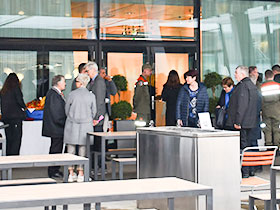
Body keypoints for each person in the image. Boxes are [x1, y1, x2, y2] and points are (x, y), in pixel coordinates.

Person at [225, 66, 258, 178]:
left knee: (244, 148)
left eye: (236, 73)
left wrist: (238, 122)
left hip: (243, 123)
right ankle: (250, 170)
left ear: (242, 74)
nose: (235, 75)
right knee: (249, 147)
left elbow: (242, 105)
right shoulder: (252, 86)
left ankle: (245, 172)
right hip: (251, 122)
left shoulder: (243, 86)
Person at [64, 73, 96, 182]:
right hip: (86, 124)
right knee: (83, 149)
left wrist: (72, 116)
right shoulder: (91, 96)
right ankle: (81, 173)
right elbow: (94, 111)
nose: (76, 83)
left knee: (70, 149)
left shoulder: (72, 94)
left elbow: (66, 110)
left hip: (72, 124)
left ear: (81, 82)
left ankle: (70, 173)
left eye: (77, 81)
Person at [42, 75, 66, 178]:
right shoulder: (54, 95)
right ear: (58, 83)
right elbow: (57, 114)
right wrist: (65, 122)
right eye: (64, 81)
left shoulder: (53, 94)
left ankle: (54, 169)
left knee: (56, 149)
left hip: (55, 127)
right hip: (56, 128)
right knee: (56, 150)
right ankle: (53, 170)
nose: (65, 84)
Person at [85, 61, 106, 172]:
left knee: (97, 142)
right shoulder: (93, 81)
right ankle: (96, 165)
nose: (87, 73)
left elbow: (99, 101)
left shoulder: (99, 82)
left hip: (97, 118)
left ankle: (99, 166)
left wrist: (96, 117)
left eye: (88, 71)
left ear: (93, 70)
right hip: (95, 117)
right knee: (95, 142)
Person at [0, 73, 26, 155]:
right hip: (15, 118)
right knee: (16, 140)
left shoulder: (3, 91)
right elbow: (19, 101)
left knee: (9, 139)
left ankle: (8, 158)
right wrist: (25, 108)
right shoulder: (16, 88)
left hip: (6, 118)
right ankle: (14, 158)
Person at [261, 69, 280, 147]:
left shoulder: (262, 86)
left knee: (267, 129)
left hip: (266, 111)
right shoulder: (278, 86)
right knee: (277, 129)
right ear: (273, 76)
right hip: (277, 111)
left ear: (265, 77)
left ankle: (269, 146)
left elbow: (260, 99)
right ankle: (277, 146)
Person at [99, 67, 117, 131]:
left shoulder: (106, 82)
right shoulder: (96, 83)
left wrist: (110, 81)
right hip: (99, 109)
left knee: (106, 128)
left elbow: (114, 92)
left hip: (106, 108)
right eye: (103, 73)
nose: (105, 75)